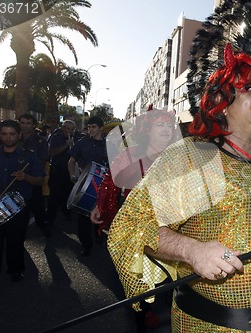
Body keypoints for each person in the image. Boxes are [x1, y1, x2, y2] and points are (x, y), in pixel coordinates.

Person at [107, 43, 251, 332]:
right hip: (211, 325)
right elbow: (133, 224)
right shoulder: (193, 156)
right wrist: (191, 250)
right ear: (221, 99)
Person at [90, 109, 178, 332]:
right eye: (160, 125)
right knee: (138, 282)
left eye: (169, 125)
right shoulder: (129, 156)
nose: (167, 130)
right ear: (147, 130)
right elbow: (110, 185)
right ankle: (142, 315)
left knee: (168, 276)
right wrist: (100, 208)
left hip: (169, 228)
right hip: (136, 230)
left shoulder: (178, 156)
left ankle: (168, 298)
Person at [0, 120, 45, 300]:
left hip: (18, 208)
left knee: (15, 242)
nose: (8, 137)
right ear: (0, 135)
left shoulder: (29, 156)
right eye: (5, 134)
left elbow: (40, 180)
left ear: (19, 135)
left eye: (12, 134)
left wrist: (26, 177)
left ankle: (16, 269)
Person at [68, 116, 108, 257]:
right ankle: (86, 245)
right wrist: (73, 176)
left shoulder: (109, 145)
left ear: (101, 128)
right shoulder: (82, 143)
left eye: (94, 127)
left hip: (103, 185)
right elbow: (71, 161)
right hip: (85, 184)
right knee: (83, 219)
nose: (90, 129)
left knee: (101, 213)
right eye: (89, 127)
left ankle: (98, 232)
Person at [18, 113, 50, 236]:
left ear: (34, 125)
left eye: (28, 123)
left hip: (34, 179)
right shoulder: (14, 138)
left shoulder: (41, 141)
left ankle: (42, 225)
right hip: (16, 179)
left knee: (38, 207)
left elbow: (42, 161)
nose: (25, 126)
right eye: (22, 123)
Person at [46, 120, 81, 225]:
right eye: (67, 128)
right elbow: (52, 152)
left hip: (69, 171)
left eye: (72, 129)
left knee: (68, 193)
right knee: (54, 195)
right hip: (57, 169)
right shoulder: (56, 136)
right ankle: (50, 219)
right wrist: (66, 145)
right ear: (63, 128)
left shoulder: (76, 139)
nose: (69, 131)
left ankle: (66, 213)